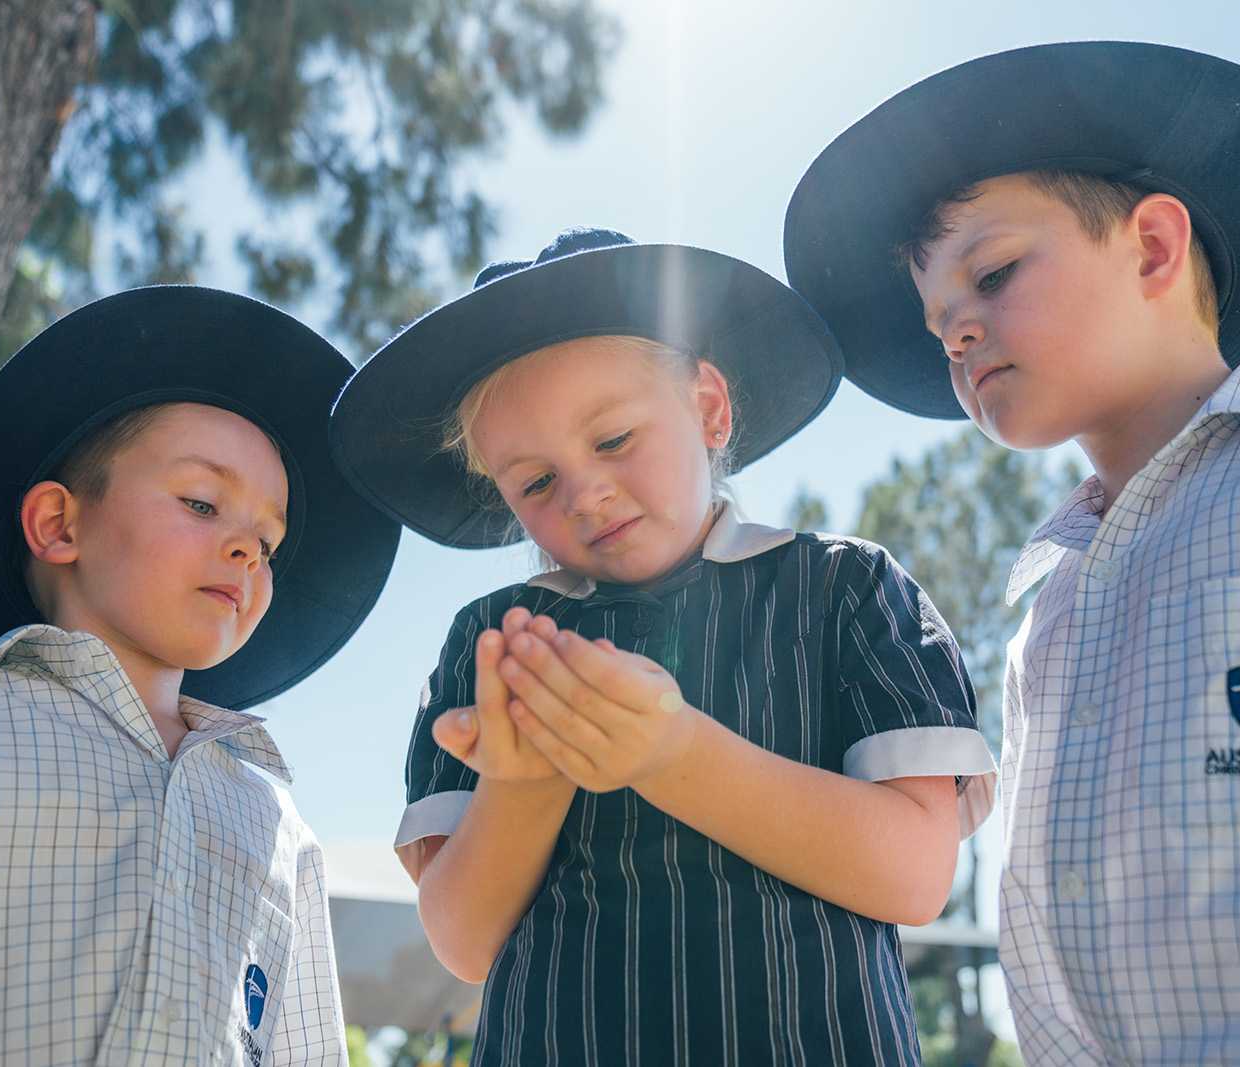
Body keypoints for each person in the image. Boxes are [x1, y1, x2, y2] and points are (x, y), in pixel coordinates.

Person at [784, 40, 1240, 1065]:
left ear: (1153, 247)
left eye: (992, 273)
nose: (957, 334)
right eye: (938, 322)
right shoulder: (1045, 612)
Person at [330, 227, 998, 1066]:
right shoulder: (491, 644)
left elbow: (915, 874)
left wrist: (673, 753)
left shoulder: (849, 588)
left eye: (613, 439)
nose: (586, 490)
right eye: (535, 482)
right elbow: (463, 938)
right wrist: (525, 777)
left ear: (709, 407)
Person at [0, 286, 400, 1066]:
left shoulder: (280, 826)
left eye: (268, 541)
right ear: (60, 524)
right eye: (201, 501)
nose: (247, 552)